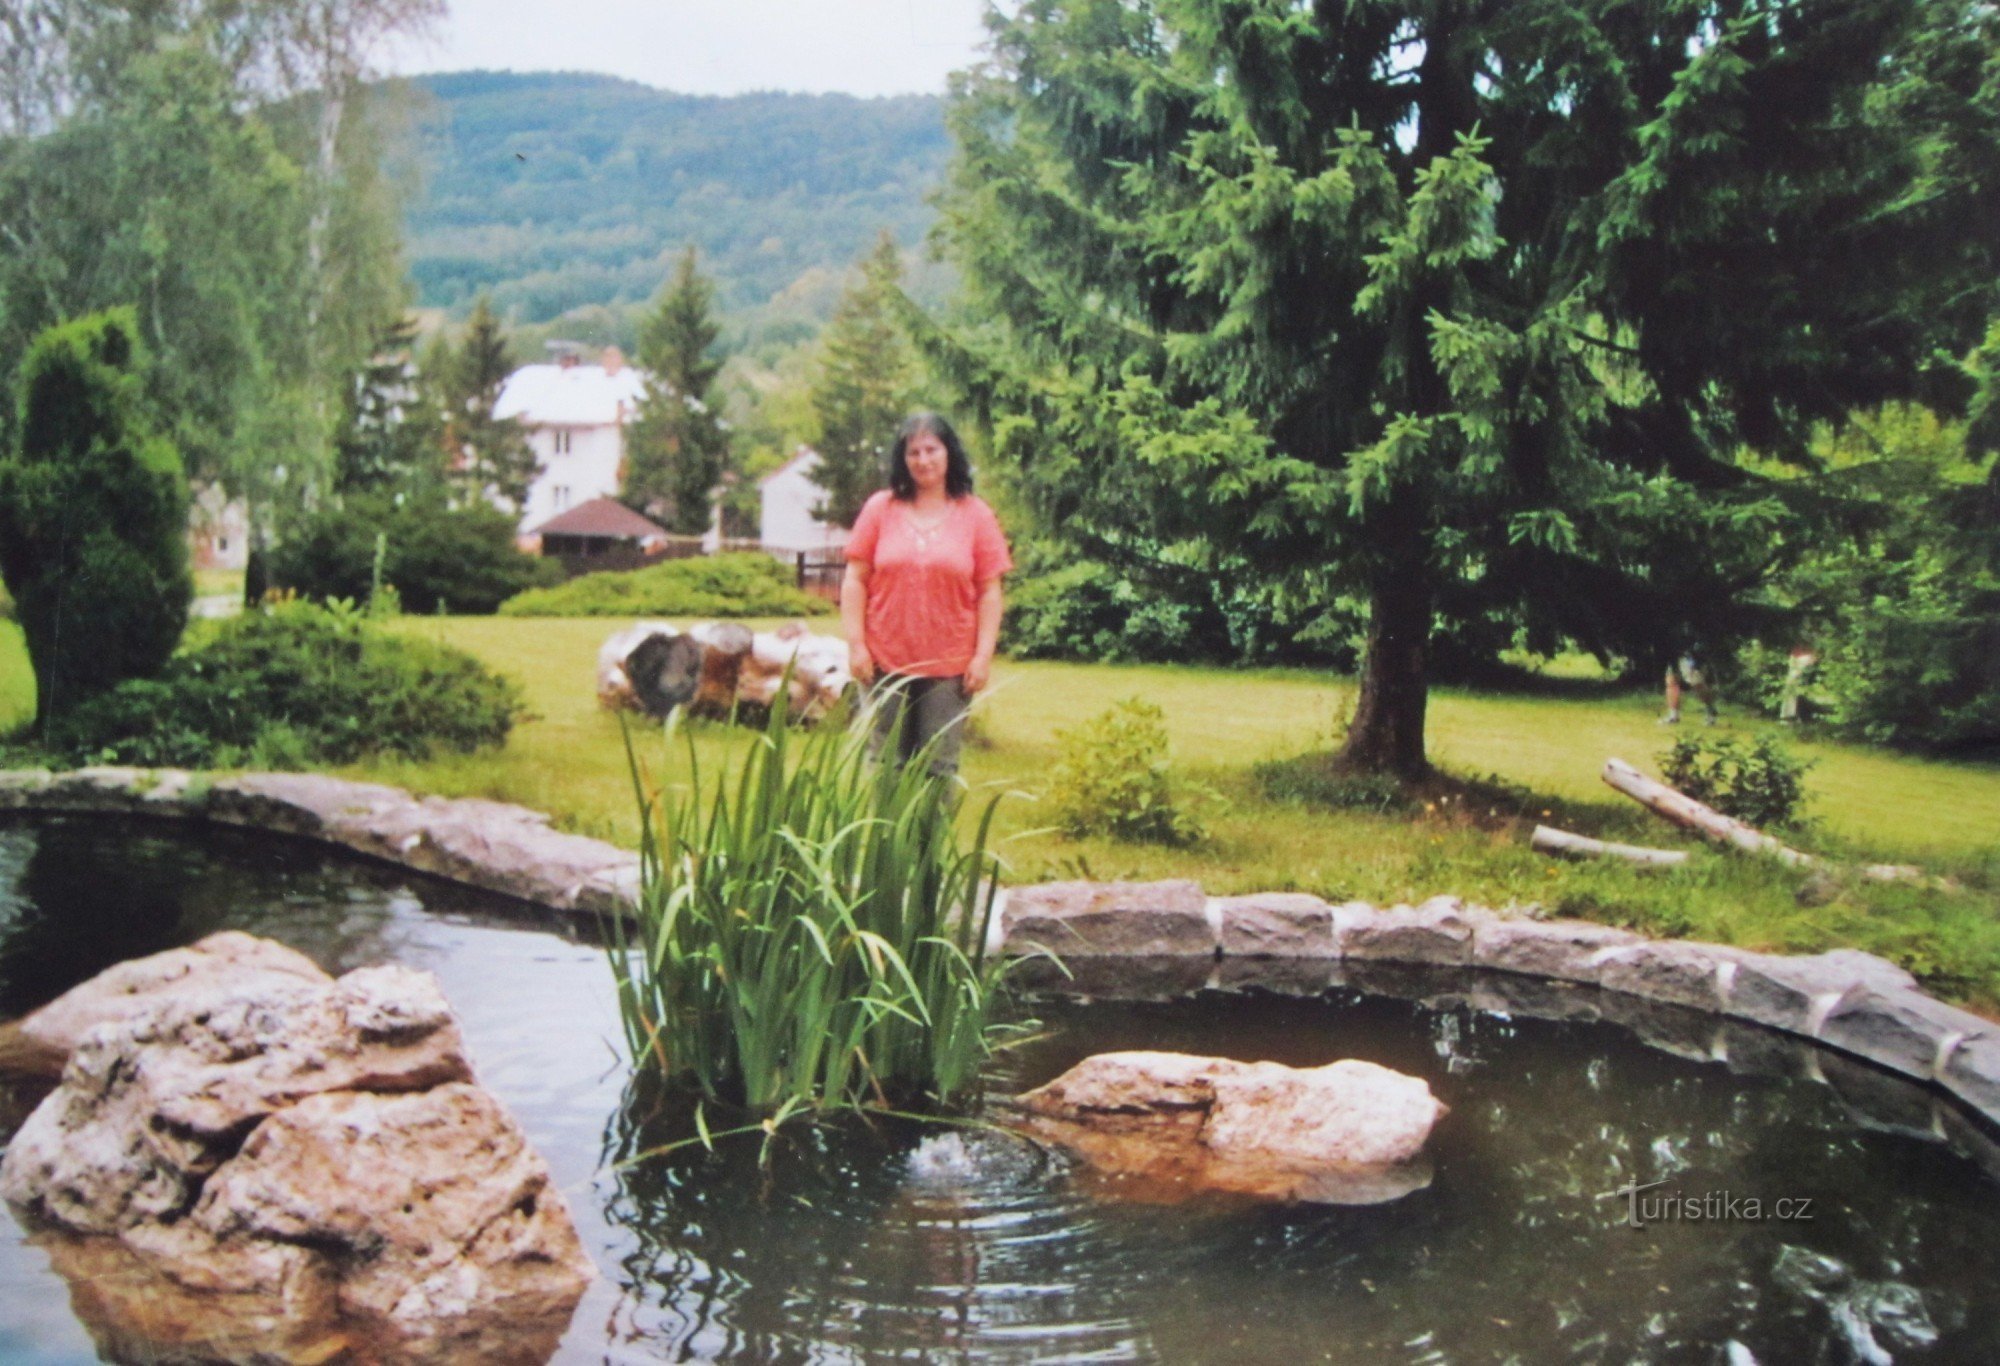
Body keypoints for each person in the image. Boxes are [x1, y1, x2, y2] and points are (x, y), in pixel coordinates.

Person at [840, 412, 1012, 776]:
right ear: (902, 459)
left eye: (931, 449)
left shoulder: (976, 514)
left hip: (950, 667)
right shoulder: (880, 509)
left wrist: (982, 656)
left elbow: (990, 592)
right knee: (885, 762)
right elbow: (855, 579)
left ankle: (929, 836)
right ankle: (884, 836)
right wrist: (856, 645)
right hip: (883, 661)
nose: (923, 460)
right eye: (913, 452)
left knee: (939, 767)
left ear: (949, 453)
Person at [1662, 646, 1717, 725]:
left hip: (1691, 654)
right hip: (1676, 654)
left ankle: (1710, 710)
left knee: (1697, 684)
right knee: (1671, 680)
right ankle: (1673, 715)